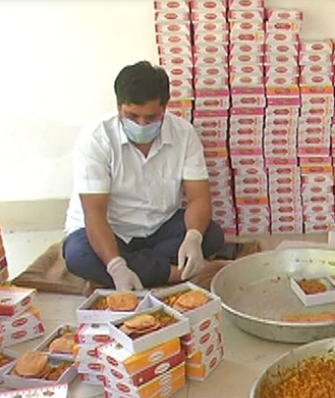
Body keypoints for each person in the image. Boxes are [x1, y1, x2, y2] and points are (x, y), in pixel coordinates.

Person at [63, 61, 224, 292]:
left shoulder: (184, 134)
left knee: (211, 235)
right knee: (78, 255)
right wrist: (116, 265)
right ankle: (176, 273)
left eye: (150, 118)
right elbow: (94, 213)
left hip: (158, 226)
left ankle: (141, 269)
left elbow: (198, 197)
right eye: (132, 116)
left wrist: (193, 237)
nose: (141, 125)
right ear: (119, 105)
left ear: (165, 107)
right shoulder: (96, 139)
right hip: (111, 229)